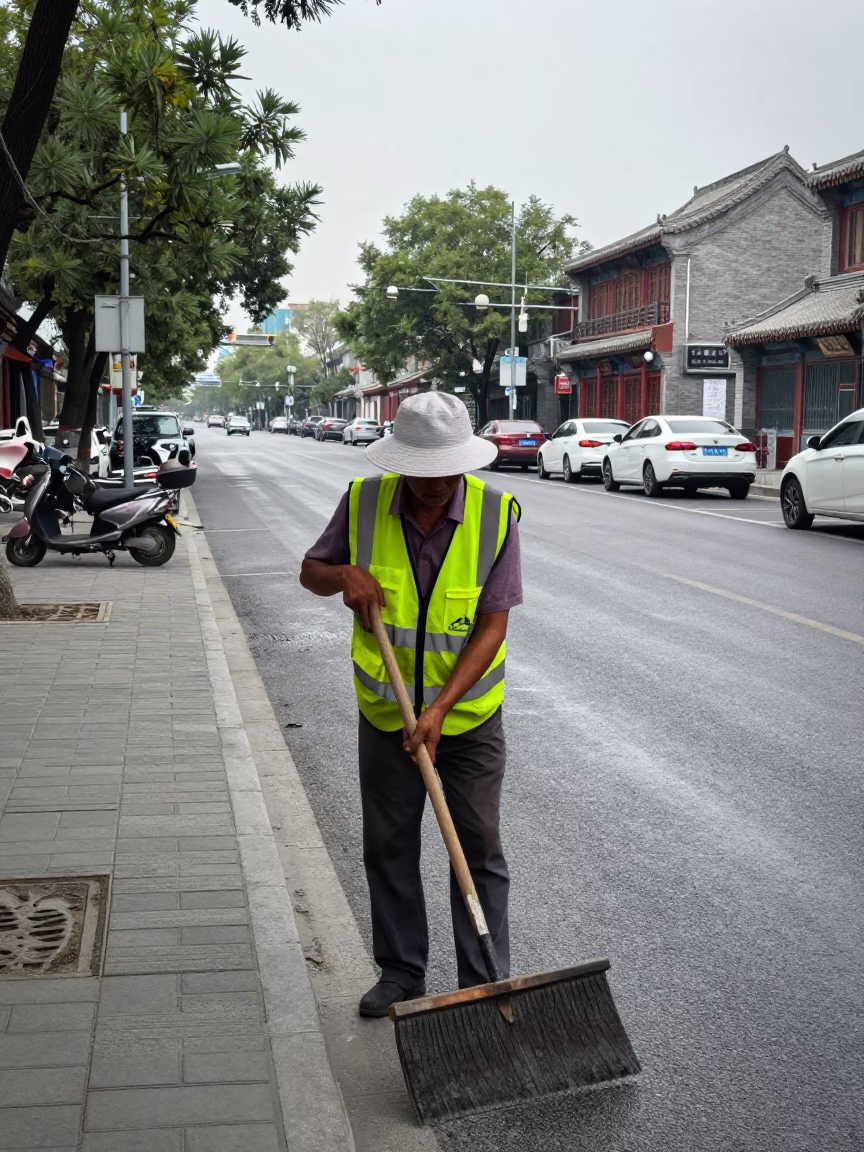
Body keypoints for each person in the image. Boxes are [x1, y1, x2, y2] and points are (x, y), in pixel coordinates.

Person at [300, 391, 523, 1017]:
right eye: (422, 473)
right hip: (386, 716)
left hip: (468, 720)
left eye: (446, 471)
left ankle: (484, 977)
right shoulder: (363, 502)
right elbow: (310, 570)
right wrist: (342, 577)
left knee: (477, 846)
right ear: (399, 464)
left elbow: (492, 627)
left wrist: (441, 711)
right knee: (390, 843)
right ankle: (401, 971)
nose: (434, 485)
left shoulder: (496, 513)